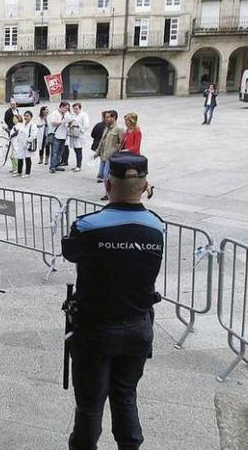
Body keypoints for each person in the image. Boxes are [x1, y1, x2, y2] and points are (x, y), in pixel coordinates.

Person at [60, 151, 163, 450]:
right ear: (145, 186)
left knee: (90, 405)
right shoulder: (157, 228)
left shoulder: (87, 227)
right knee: (125, 395)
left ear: (107, 185)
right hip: (138, 327)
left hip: (96, 330)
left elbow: (71, 253)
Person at [95, 110, 125, 201]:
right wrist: (97, 152)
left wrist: (116, 152)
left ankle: (110, 193)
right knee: (104, 175)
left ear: (114, 118)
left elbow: (122, 143)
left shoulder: (119, 129)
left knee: (106, 175)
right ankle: (108, 192)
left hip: (111, 156)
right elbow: (102, 141)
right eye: (105, 117)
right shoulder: (106, 128)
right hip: (104, 155)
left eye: (108, 117)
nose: (106, 119)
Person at [11, 111, 38, 178]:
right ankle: (19, 172)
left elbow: (33, 135)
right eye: (25, 116)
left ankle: (27, 173)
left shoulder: (33, 125)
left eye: (27, 116)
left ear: (31, 117)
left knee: (27, 158)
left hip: (27, 144)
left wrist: (27, 142)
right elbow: (19, 132)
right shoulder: (22, 124)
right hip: (20, 143)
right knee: (20, 157)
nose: (26, 117)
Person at [48, 102, 70, 173]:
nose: (66, 110)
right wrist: (62, 122)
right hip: (56, 135)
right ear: (61, 107)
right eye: (66, 108)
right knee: (54, 152)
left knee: (60, 152)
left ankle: (57, 164)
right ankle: (52, 166)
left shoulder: (66, 114)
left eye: (67, 108)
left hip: (63, 135)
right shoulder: (54, 113)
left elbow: (70, 120)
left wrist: (69, 121)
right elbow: (53, 123)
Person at [68, 103, 90, 172]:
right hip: (73, 134)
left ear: (80, 108)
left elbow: (86, 125)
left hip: (79, 135)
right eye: (74, 109)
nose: (75, 110)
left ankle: (78, 166)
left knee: (78, 150)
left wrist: (80, 129)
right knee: (75, 150)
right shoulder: (73, 115)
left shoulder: (84, 115)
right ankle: (77, 165)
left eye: (76, 109)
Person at [90, 113, 107, 183]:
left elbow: (92, 134)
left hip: (97, 145)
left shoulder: (98, 125)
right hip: (103, 146)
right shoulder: (108, 127)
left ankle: (101, 175)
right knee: (104, 160)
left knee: (102, 160)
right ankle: (102, 175)